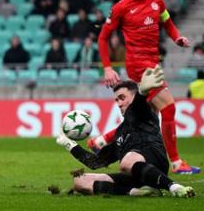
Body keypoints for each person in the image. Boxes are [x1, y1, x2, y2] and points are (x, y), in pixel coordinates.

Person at [93, 0, 200, 174]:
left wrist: (176, 37)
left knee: (144, 118)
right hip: (139, 65)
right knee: (168, 108)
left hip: (153, 62)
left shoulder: (156, 1)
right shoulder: (121, 7)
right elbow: (103, 37)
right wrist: (107, 67)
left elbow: (167, 23)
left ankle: (101, 141)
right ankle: (177, 163)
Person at [57, 67, 195, 197]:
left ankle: (174, 187)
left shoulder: (143, 112)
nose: (118, 103)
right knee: (80, 181)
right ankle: (136, 192)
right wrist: (70, 144)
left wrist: (141, 92)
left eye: (122, 98)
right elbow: (96, 162)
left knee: (126, 161)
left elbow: (137, 106)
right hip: (133, 175)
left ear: (134, 96)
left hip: (155, 161)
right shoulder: (120, 133)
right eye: (117, 100)